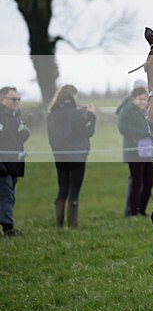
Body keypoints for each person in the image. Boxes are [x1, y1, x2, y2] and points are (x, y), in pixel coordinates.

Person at [46, 85, 96, 228]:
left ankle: (59, 224)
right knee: (74, 193)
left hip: (60, 157)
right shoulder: (75, 114)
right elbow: (88, 131)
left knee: (62, 191)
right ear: (73, 96)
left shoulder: (52, 114)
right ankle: (73, 225)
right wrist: (91, 116)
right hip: (77, 158)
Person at [117, 86, 153, 217]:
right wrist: (143, 133)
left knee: (148, 183)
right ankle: (133, 212)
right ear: (133, 99)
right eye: (140, 99)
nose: (143, 102)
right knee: (137, 183)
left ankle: (142, 210)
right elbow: (123, 128)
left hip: (147, 153)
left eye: (145, 99)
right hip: (134, 153)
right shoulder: (126, 111)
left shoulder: (147, 111)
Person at [0, 87, 30, 237]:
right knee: (7, 196)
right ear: (2, 99)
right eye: (13, 99)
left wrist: (24, 132)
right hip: (2, 165)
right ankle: (8, 229)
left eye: (18, 99)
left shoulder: (17, 117)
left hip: (14, 164)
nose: (16, 102)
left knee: (10, 196)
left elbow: (16, 139)